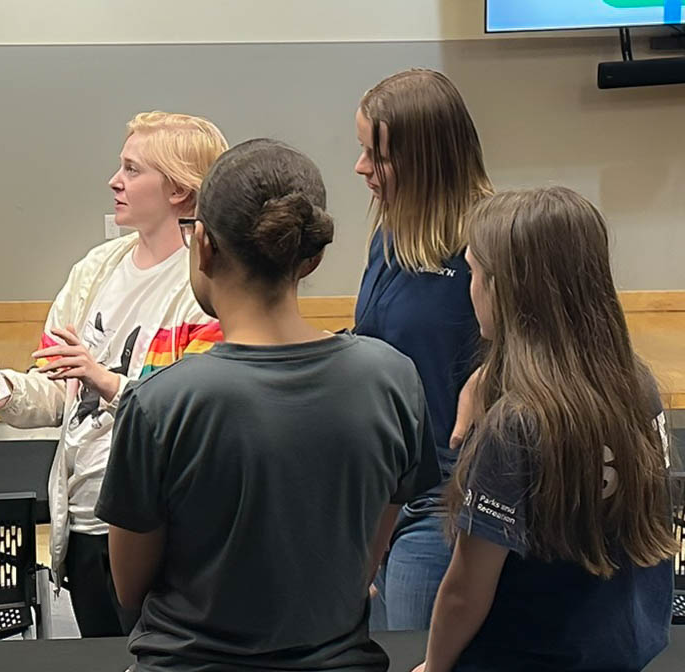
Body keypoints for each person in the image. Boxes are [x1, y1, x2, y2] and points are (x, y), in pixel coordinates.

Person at [97, 138, 436, 671]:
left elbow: (131, 585)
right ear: (313, 255)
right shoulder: (393, 379)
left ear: (202, 245)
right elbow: (367, 558)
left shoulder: (161, 403)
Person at [0, 112, 227, 637]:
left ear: (182, 194)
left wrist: (109, 382)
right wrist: (5, 388)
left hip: (160, 528)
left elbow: (200, 414)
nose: (114, 181)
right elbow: (58, 389)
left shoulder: (207, 285)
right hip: (82, 519)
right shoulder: (95, 269)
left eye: (132, 169)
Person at [414, 188, 677, 672]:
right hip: (618, 650)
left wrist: (433, 665)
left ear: (506, 289)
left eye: (472, 273)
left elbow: (466, 589)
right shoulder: (637, 385)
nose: (468, 288)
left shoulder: (517, 426)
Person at [352, 68, 494, 630]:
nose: (361, 168)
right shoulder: (390, 235)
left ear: (426, 158)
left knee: (417, 649)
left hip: (443, 496)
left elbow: (552, 344)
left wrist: (492, 374)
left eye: (376, 156)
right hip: (382, 486)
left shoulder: (490, 239)